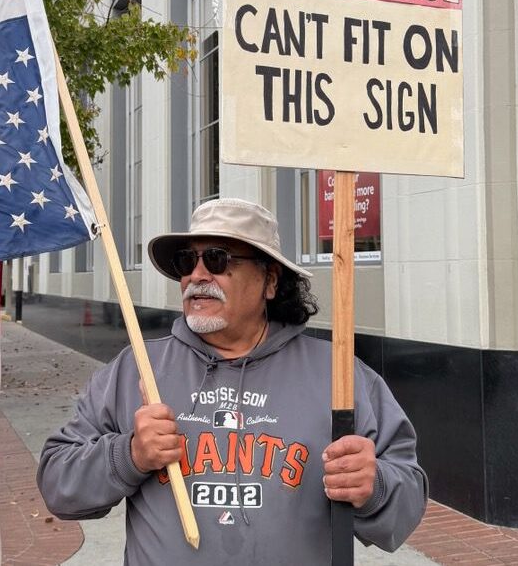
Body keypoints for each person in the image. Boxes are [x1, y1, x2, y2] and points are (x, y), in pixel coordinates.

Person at [38, 198, 427, 564]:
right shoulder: (137, 368)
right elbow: (58, 484)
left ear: (270, 281)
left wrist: (373, 487)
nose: (197, 275)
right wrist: (130, 454)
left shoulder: (338, 373)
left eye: (218, 259)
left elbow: (405, 505)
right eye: (187, 260)